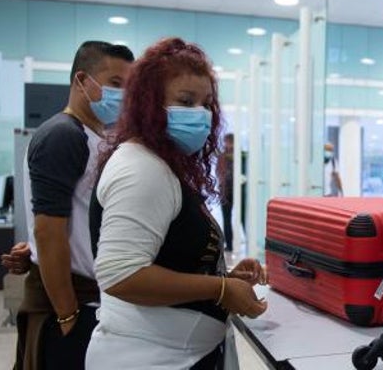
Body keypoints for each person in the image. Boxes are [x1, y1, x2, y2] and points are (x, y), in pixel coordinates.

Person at [86, 37, 267, 368]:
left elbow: (169, 256)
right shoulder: (141, 168)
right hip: (150, 359)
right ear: (148, 104)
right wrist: (221, 289)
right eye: (185, 101)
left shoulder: (161, 164)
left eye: (206, 104)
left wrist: (225, 276)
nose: (199, 114)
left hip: (179, 355)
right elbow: (122, 275)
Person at [15, 41, 134, 370]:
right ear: (82, 80)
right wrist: (67, 315)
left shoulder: (97, 137)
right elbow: (48, 231)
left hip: (94, 298)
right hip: (72, 301)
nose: (122, 95)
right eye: (115, 84)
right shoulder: (63, 135)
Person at [216, 133, 234, 252]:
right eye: (226, 142)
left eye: (230, 142)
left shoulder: (240, 156)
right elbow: (218, 172)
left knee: (243, 218)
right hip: (225, 191)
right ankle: (230, 245)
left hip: (238, 190)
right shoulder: (222, 157)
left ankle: (247, 242)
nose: (228, 145)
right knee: (226, 219)